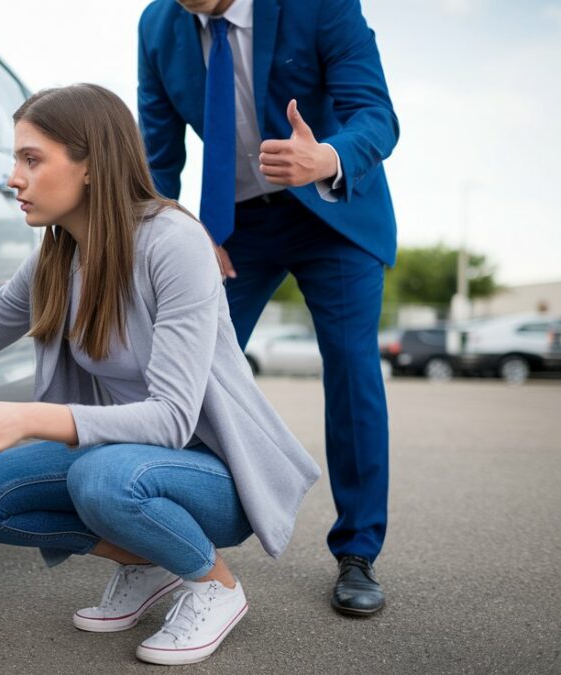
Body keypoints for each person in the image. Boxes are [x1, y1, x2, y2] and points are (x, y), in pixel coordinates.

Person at [0, 83, 319, 666]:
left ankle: (216, 585)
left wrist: (29, 416)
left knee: (102, 477)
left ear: (92, 166)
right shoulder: (56, 257)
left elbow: (174, 419)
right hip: (125, 461)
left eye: (32, 159)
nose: (13, 178)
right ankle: (147, 563)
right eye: (15, 159)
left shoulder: (173, 242)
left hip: (216, 476)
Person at [137, 0, 398, 615]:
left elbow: (375, 115)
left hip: (332, 212)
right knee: (183, 368)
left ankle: (358, 552)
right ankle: (164, 540)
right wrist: (172, 226)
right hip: (234, 227)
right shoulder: (157, 25)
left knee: (351, 369)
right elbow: (157, 151)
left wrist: (327, 157)